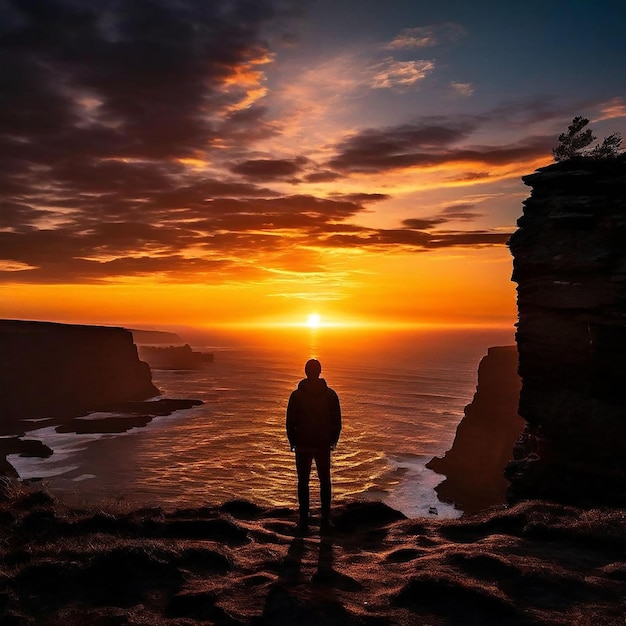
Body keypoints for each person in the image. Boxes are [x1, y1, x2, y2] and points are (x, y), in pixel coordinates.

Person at [286, 359, 341, 533]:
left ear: (305, 371)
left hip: (302, 444)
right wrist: (332, 441)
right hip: (323, 444)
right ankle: (325, 520)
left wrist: (293, 441)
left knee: (303, 481)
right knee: (325, 481)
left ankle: (303, 521)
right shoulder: (330, 395)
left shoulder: (297, 395)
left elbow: (290, 422)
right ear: (319, 371)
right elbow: (337, 421)